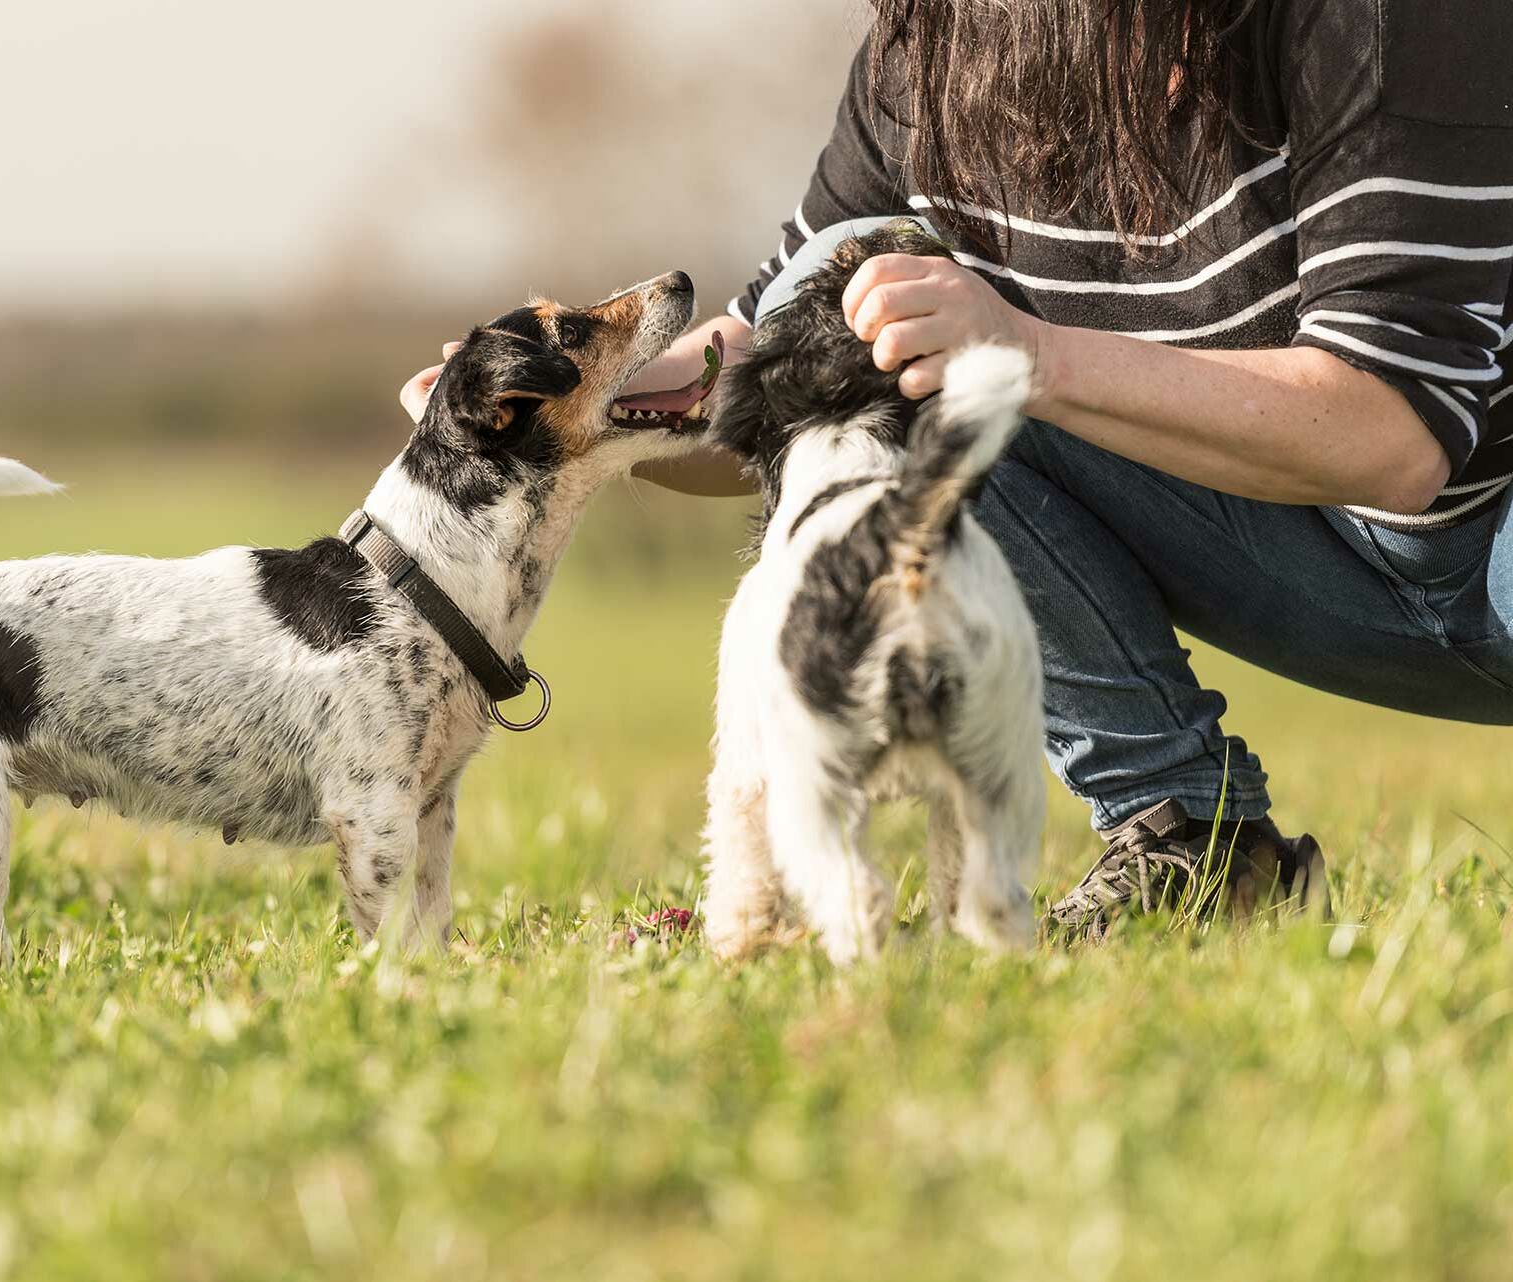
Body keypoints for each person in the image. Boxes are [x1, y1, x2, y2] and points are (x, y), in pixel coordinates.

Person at [401, 0, 1513, 936]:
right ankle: (1190, 842)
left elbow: (1394, 436)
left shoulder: (1376, 20)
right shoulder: (932, 55)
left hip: (1486, 531)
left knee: (973, 366)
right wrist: (563, 411)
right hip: (1307, 558)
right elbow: (766, 357)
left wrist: (1026, 353)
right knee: (914, 366)